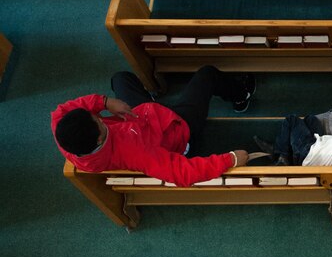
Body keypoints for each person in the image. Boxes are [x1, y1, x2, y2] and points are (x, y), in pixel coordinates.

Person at [52, 66, 255, 187]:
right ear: (98, 139)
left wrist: (105, 102)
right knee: (207, 74)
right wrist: (230, 159)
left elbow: (68, 108)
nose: (100, 117)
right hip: (177, 129)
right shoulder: (134, 153)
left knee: (120, 78)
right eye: (98, 121)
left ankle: (151, 98)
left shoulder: (62, 127)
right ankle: (241, 94)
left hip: (139, 116)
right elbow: (182, 173)